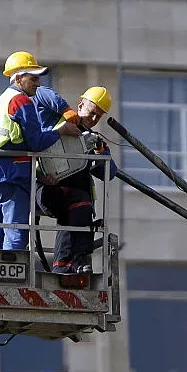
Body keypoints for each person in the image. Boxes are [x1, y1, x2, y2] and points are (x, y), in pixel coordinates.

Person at [0, 51, 81, 251]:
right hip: (11, 175)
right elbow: (36, 141)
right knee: (15, 233)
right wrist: (62, 130)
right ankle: (9, 280)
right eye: (33, 78)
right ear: (18, 78)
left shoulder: (0, 102)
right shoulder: (21, 102)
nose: (38, 84)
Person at [32, 86, 118, 274]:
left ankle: (69, 265)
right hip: (46, 191)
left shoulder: (93, 141)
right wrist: (65, 111)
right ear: (80, 105)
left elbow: (109, 173)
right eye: (92, 112)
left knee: (78, 207)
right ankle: (69, 263)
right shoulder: (55, 122)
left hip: (74, 201)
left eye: (99, 116)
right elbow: (38, 92)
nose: (94, 119)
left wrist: (101, 152)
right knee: (78, 203)